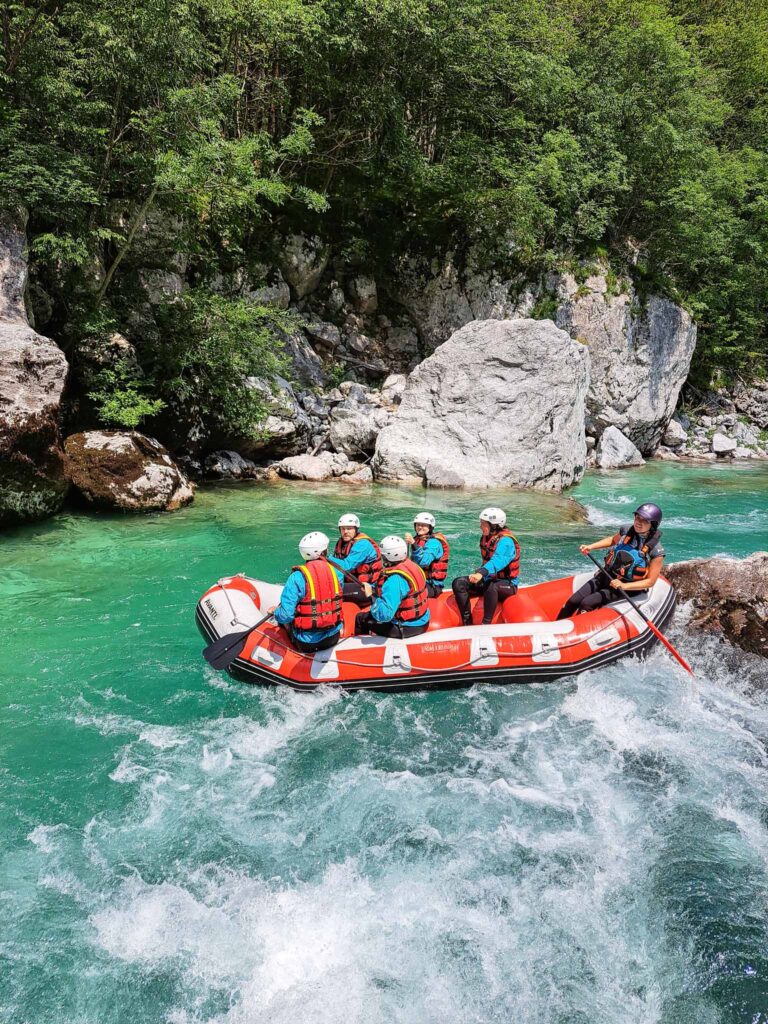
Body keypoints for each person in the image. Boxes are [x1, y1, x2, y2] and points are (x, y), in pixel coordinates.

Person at [556, 502, 665, 619]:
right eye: (637, 517)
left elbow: (650, 582)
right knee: (573, 601)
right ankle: (556, 629)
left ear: (653, 525)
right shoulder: (627, 530)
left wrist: (623, 586)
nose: (638, 522)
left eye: (645, 520)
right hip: (607, 574)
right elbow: (613, 540)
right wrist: (591, 546)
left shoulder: (655, 551)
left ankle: (576, 633)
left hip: (627, 586)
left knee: (587, 603)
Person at [273, 531, 345, 653]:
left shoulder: (297, 577)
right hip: (333, 637)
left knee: (281, 619)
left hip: (306, 643)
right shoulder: (336, 573)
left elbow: (285, 616)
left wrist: (276, 612)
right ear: (324, 551)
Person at [452, 508, 520, 626]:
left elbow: (497, 561)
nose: (480, 526)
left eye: (483, 524)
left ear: (494, 526)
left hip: (508, 584)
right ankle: (467, 622)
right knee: (458, 583)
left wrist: (481, 573)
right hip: (489, 578)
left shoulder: (506, 542)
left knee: (491, 586)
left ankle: (486, 624)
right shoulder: (487, 538)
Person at [354, 535, 431, 638]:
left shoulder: (395, 580)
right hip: (423, 619)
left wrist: (370, 595)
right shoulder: (413, 565)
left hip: (406, 627)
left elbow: (384, 616)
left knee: (361, 618)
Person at [328, 513, 383, 604]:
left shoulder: (363, 545)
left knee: (330, 591)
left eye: (349, 528)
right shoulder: (341, 543)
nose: (345, 531)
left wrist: (325, 558)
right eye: (343, 529)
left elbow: (346, 566)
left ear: (356, 529)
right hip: (352, 583)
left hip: (367, 588)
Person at [404, 512, 450, 598]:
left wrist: (413, 544)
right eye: (418, 525)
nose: (420, 527)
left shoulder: (434, 543)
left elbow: (424, 562)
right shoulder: (418, 539)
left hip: (432, 585)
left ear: (430, 527)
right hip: (419, 580)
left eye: (424, 525)